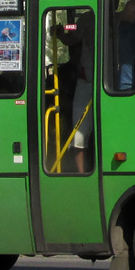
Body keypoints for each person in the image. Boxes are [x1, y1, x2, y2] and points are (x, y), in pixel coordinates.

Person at [53, 12, 96, 172]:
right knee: (79, 134)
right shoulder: (86, 18)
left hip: (114, 83)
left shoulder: (121, 17)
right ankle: (82, 173)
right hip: (87, 81)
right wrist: (61, 35)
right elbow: (72, 39)